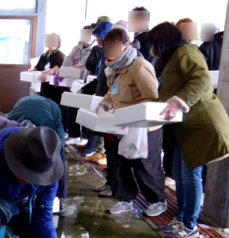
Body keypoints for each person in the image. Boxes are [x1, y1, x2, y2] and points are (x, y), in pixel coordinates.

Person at [148, 22, 229, 238]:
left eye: (154, 43)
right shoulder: (168, 59)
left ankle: (189, 225)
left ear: (163, 41)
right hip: (183, 128)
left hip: (201, 125)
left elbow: (201, 79)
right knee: (180, 176)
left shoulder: (187, 51)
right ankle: (181, 219)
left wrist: (178, 102)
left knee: (190, 177)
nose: (152, 49)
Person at [95, 27, 166, 217]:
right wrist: (105, 104)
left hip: (144, 126)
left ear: (126, 45)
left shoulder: (139, 66)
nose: (109, 50)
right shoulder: (114, 66)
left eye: (114, 46)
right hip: (121, 124)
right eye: (107, 46)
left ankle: (157, 200)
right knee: (121, 164)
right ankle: (126, 200)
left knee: (145, 165)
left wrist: (133, 117)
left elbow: (151, 98)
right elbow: (113, 91)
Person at [59, 25, 101, 146]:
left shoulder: (95, 49)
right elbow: (67, 60)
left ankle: (87, 138)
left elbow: (86, 64)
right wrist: (68, 68)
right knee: (72, 107)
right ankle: (74, 134)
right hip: (74, 82)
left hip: (88, 82)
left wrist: (74, 67)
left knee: (86, 110)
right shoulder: (76, 48)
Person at [79, 20, 114, 164]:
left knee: (109, 135)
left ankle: (104, 155)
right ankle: (101, 153)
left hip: (111, 101)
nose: (97, 39)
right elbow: (99, 79)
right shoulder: (103, 54)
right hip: (101, 97)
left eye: (99, 37)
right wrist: (83, 90)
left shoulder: (115, 58)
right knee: (101, 130)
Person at [33, 33, 65, 104]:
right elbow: (38, 67)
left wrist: (49, 72)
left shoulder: (60, 55)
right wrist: (32, 71)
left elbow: (58, 68)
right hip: (44, 87)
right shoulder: (44, 56)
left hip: (55, 89)